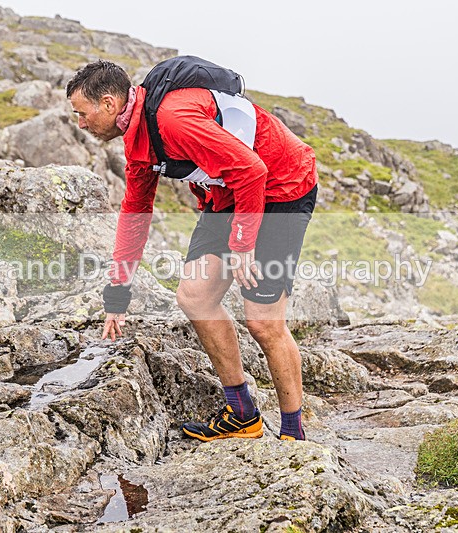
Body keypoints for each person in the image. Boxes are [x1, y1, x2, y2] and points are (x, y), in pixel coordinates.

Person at [66, 59, 318, 441]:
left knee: (263, 323)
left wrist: (243, 245)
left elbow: (252, 171)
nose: (81, 124)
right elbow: (135, 214)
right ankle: (242, 415)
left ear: (108, 104)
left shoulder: (173, 119)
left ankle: (293, 436)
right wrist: (117, 295)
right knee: (195, 297)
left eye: (82, 114)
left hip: (281, 186)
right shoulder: (139, 141)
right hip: (227, 195)